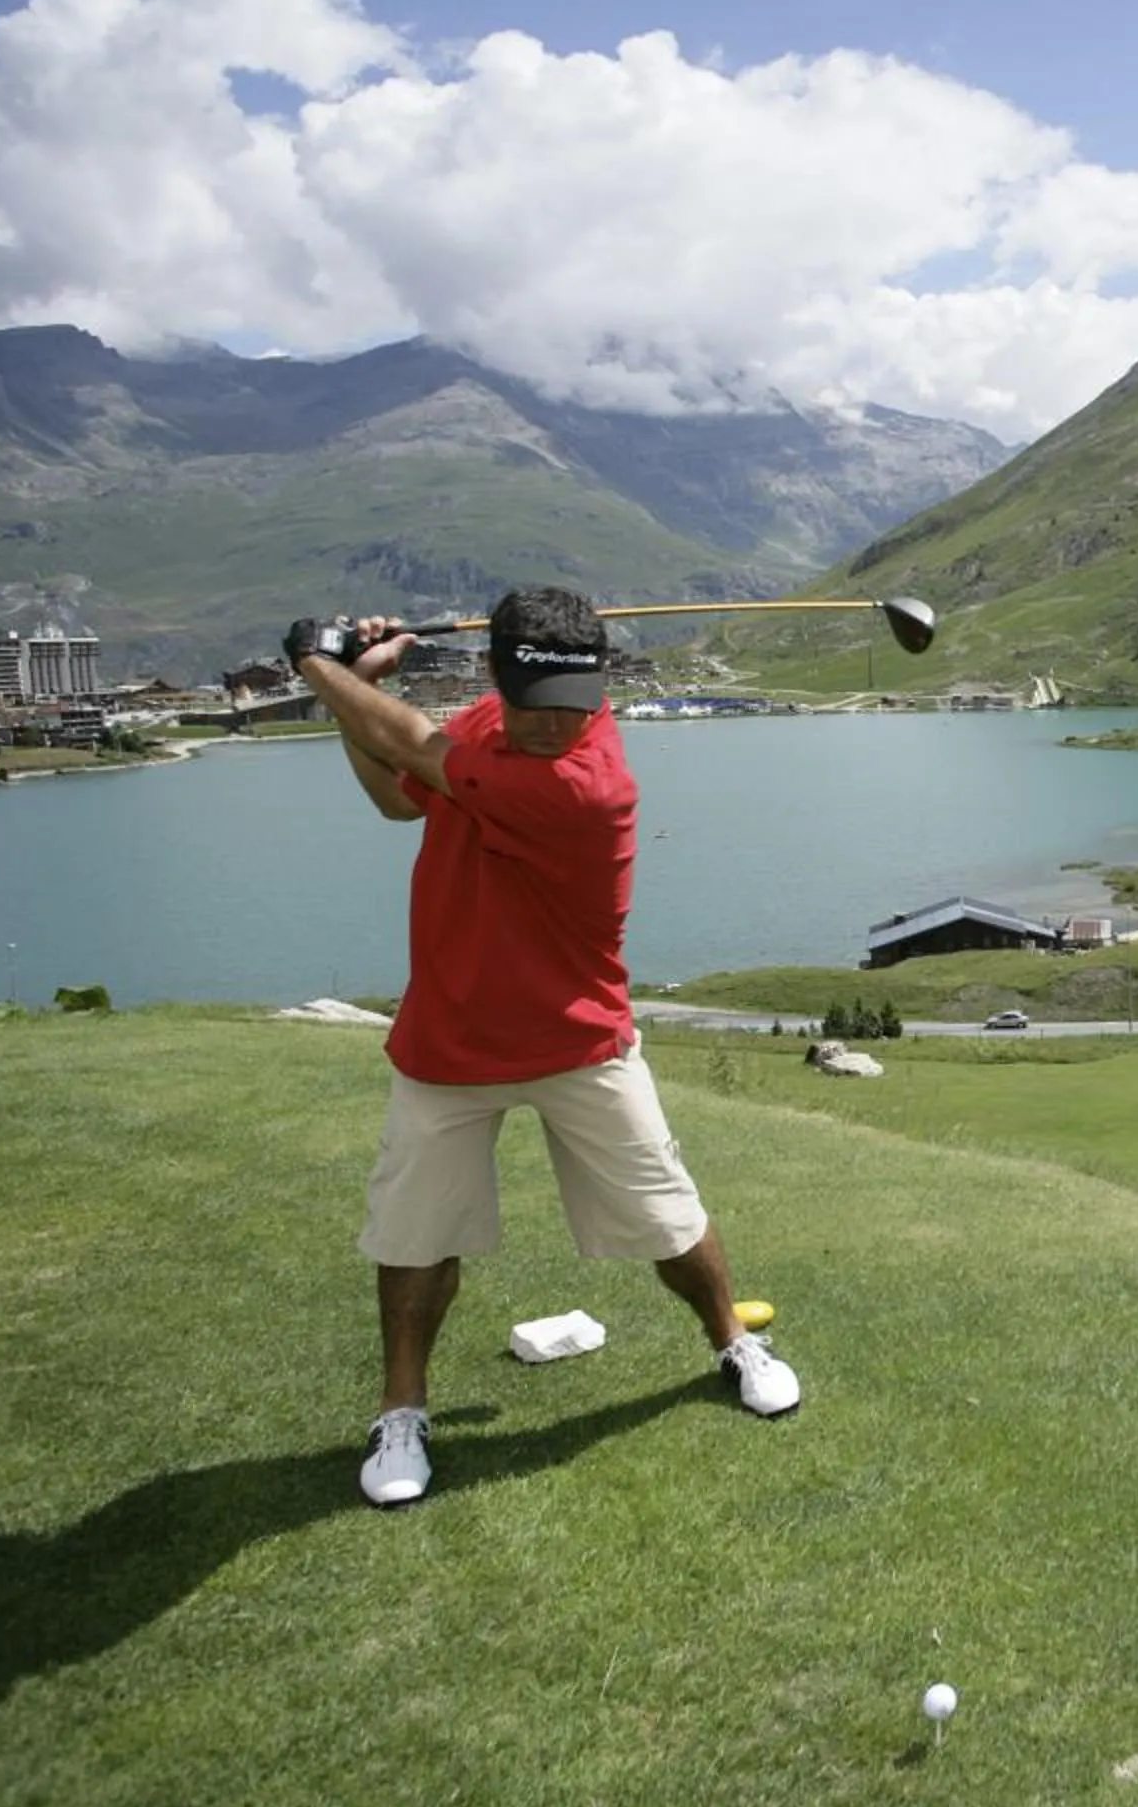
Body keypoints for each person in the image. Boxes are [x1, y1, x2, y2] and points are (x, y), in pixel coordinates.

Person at [287, 590, 799, 1511]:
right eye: (535, 703)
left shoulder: (589, 785)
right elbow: (398, 796)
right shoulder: (487, 728)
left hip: (579, 1036)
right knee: (412, 1237)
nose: (555, 724)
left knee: (668, 1215)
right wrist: (356, 698)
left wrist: (322, 669)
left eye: (573, 701)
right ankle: (400, 1410)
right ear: (495, 677)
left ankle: (733, 1339)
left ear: (598, 686)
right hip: (450, 1037)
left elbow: (409, 746)